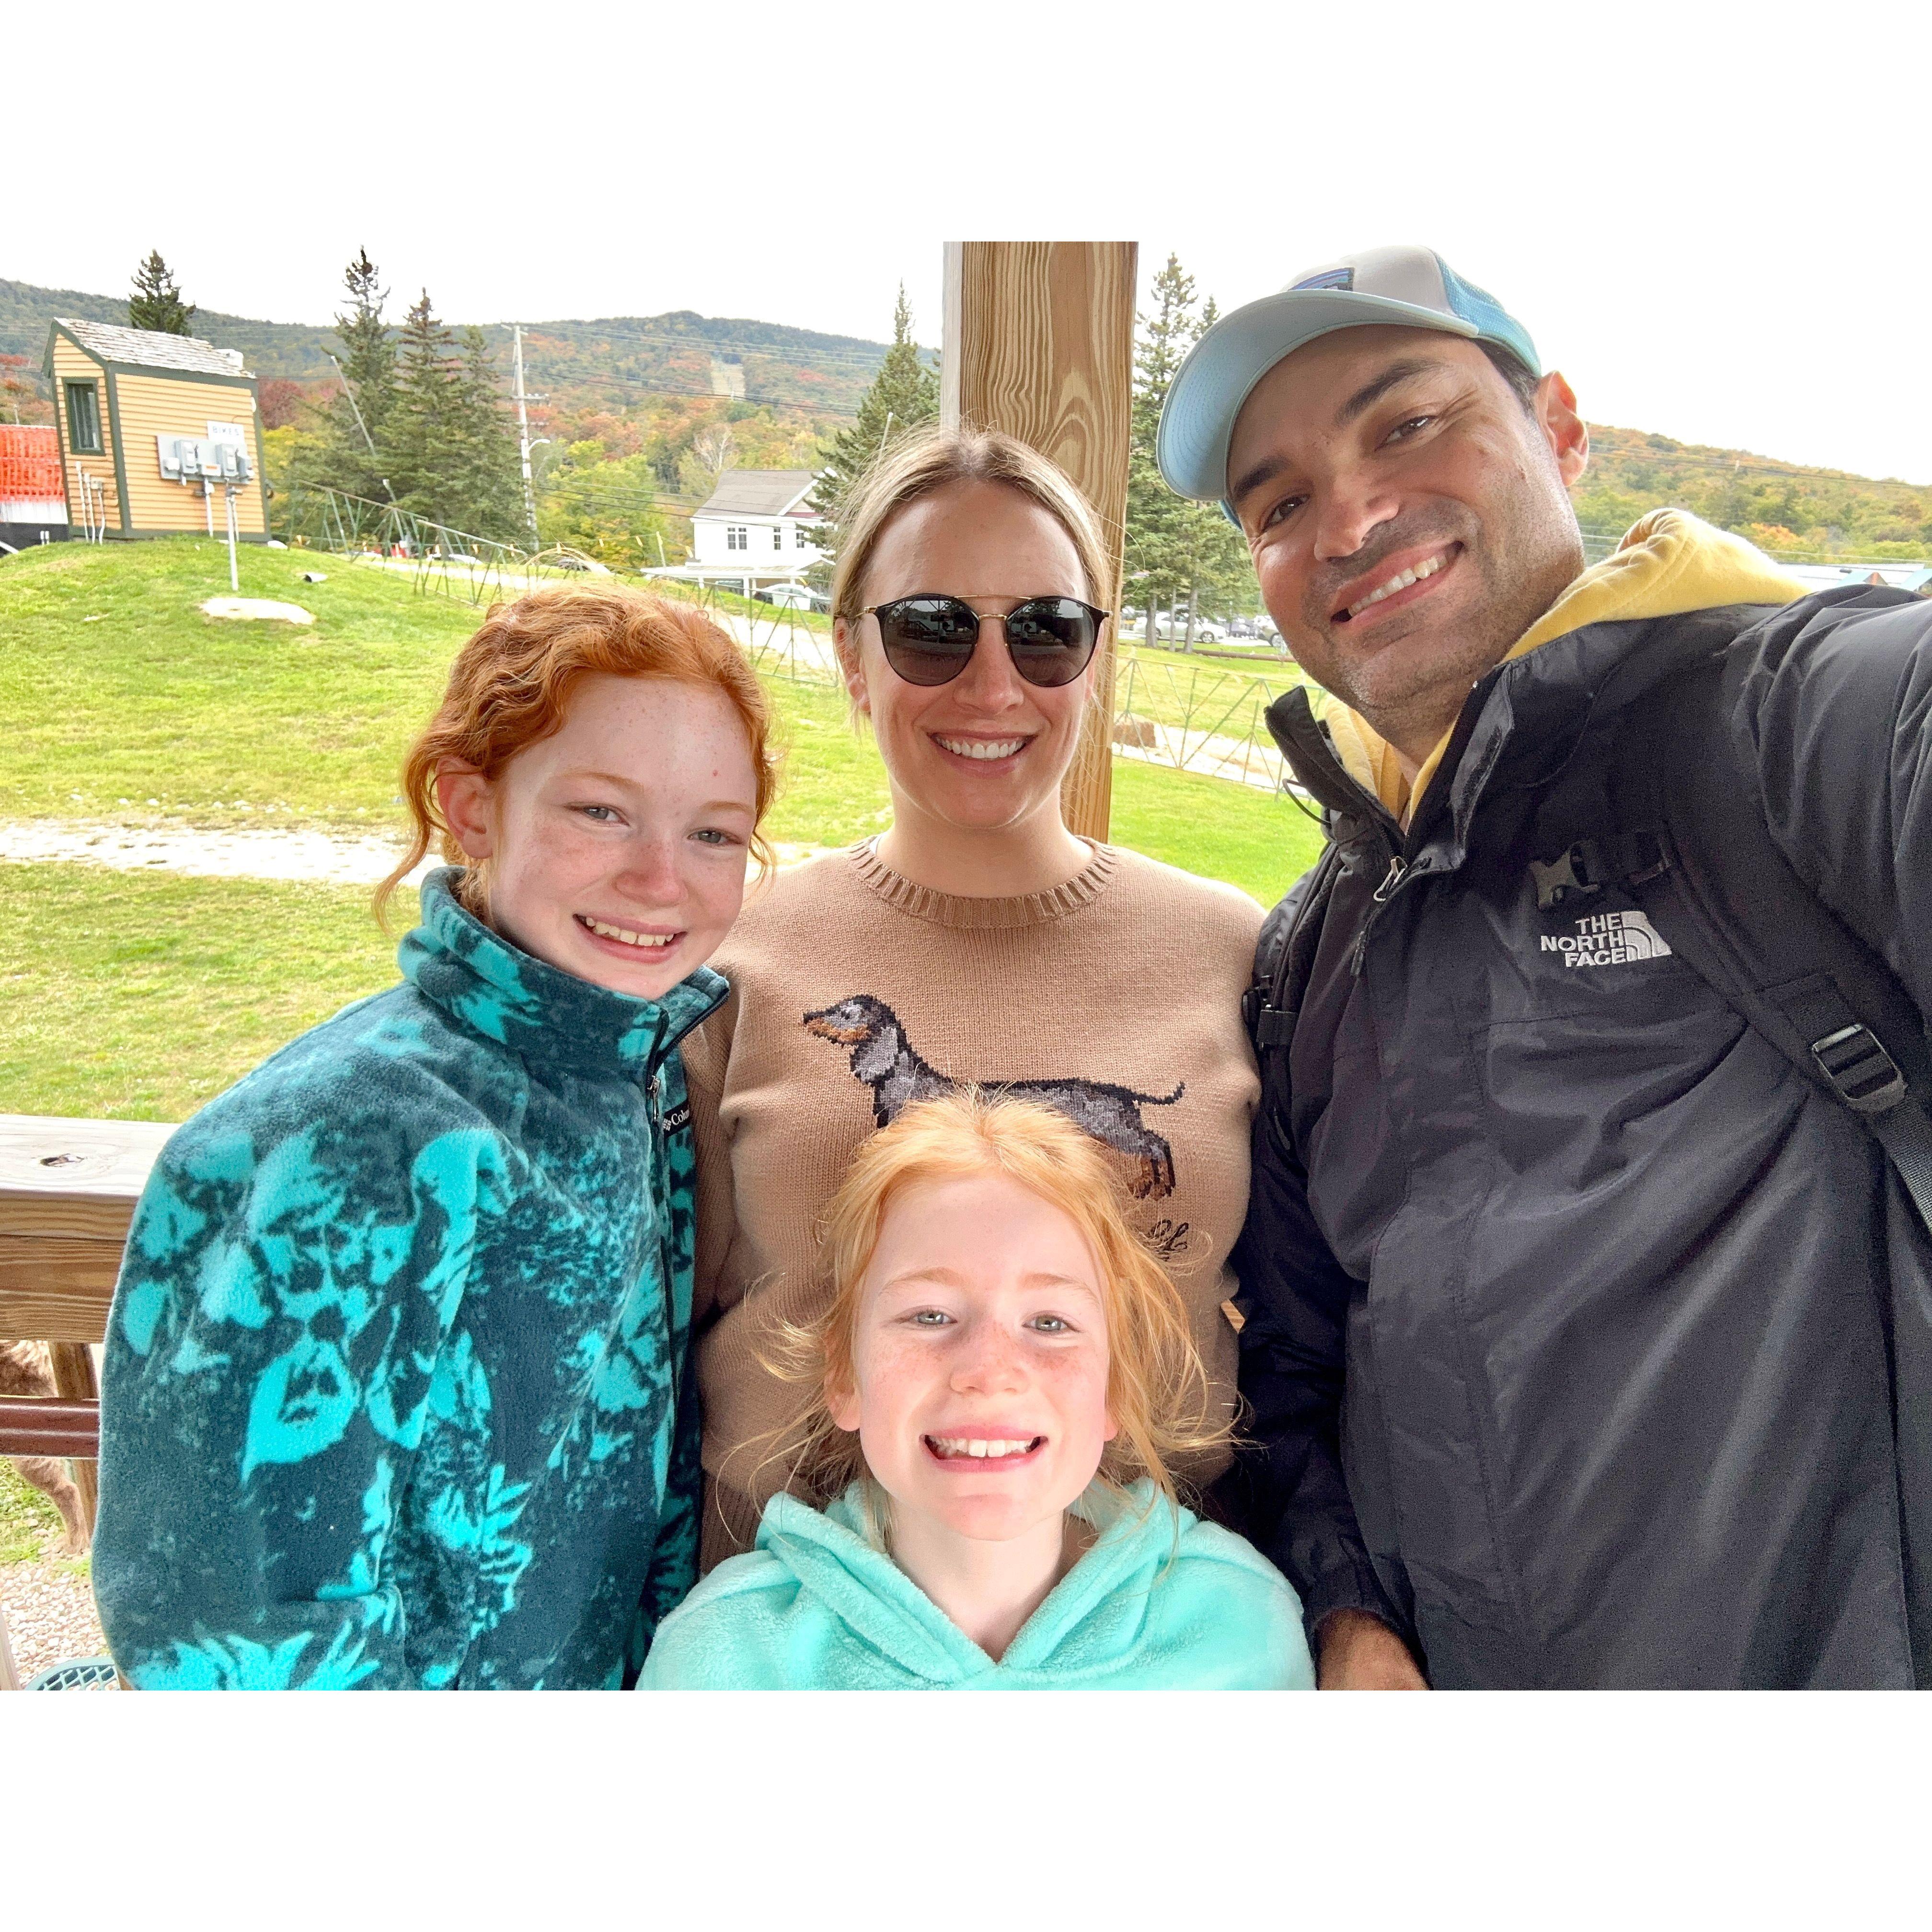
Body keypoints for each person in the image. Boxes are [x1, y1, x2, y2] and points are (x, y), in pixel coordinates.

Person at [1157, 245, 1932, 1689]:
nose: (1355, 514)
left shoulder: (1781, 733)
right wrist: (1339, 1609)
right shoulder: (1321, 940)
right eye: (1279, 502)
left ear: (1560, 428)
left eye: (1405, 424)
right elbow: (1300, 1360)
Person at [92, 587, 777, 1689]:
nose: (661, 877)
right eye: (600, 811)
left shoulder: (629, 1072)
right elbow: (232, 1627)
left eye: (713, 833)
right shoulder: (346, 1142)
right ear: (471, 809)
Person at [686, 424, 1265, 1563]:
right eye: (933, 629)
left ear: (1096, 662)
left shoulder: (1232, 950)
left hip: (1160, 1641)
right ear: (854, 657)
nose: (994, 684)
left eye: (1046, 632)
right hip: (796, 1644)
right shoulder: (731, 959)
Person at [642, 1091, 1312, 1689]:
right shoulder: (722, 1658)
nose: (990, 1370)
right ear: (844, 1374)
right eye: (930, 1315)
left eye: (1051, 1323)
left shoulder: (1243, 1628)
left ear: (1115, 1387)